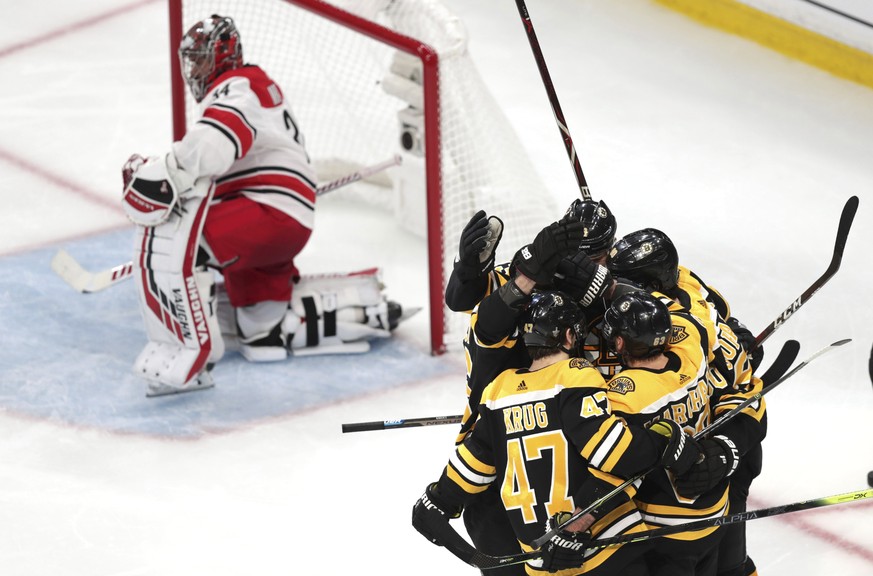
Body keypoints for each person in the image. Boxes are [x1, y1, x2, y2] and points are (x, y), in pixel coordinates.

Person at [120, 15, 394, 397]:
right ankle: (272, 330)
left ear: (222, 57)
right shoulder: (252, 88)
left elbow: (213, 146)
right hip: (279, 221)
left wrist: (161, 172)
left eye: (200, 59)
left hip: (266, 212)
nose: (194, 69)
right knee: (258, 327)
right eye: (191, 61)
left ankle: (191, 357)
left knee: (178, 243)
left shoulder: (237, 87)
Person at [412, 290, 702, 575]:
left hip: (541, 562)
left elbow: (474, 463)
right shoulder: (575, 375)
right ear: (569, 337)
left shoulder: (497, 391)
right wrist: (664, 438)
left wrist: (439, 499)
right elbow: (615, 454)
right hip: (602, 550)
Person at [606, 229, 766, 576]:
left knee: (727, 557)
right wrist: (738, 333)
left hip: (713, 466)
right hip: (709, 462)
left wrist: (726, 450)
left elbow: (748, 399)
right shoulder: (685, 281)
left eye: (626, 285)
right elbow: (720, 309)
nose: (616, 292)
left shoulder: (680, 339)